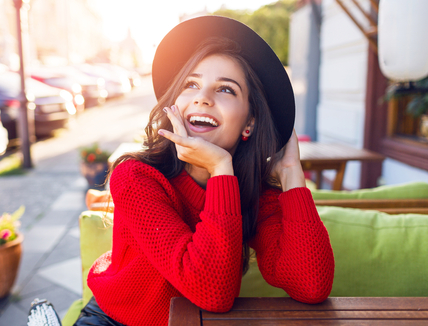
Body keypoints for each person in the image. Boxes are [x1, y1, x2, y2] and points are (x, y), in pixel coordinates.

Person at [75, 16, 335, 326]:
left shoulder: (252, 191)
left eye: (226, 89)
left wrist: (291, 173)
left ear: (249, 123)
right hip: (114, 321)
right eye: (191, 84)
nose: (202, 97)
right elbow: (212, 293)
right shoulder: (135, 177)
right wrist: (220, 168)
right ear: (174, 105)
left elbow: (311, 285)